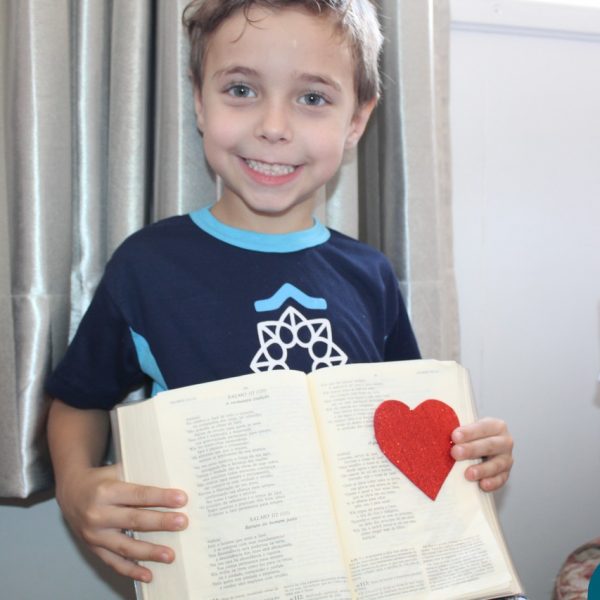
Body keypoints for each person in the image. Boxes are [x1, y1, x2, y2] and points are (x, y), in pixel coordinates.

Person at [45, 0, 514, 585]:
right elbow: (78, 401)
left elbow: (403, 431)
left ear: (356, 120)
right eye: (241, 90)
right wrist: (74, 487)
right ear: (199, 101)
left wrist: (473, 453)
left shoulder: (370, 275)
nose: (273, 126)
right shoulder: (147, 267)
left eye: (312, 98)